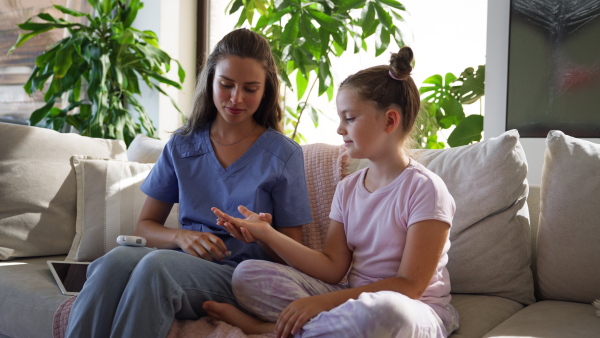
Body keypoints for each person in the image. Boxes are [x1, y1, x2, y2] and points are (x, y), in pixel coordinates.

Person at [65, 28, 312, 338]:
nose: (236, 98)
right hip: (176, 261)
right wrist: (180, 237)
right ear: (210, 81)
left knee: (156, 269)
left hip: (239, 275)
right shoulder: (182, 145)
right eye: (226, 85)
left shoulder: (283, 154)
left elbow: (294, 253)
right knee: (112, 262)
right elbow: (145, 227)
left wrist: (260, 235)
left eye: (250, 88)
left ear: (266, 92)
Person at [204, 46, 460, 338]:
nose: (340, 129)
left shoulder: (425, 189)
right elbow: (332, 269)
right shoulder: (348, 187)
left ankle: (270, 329)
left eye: (349, 118)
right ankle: (317, 328)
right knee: (247, 274)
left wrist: (321, 303)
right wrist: (266, 233)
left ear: (390, 121)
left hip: (413, 309)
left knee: (385, 311)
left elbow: (409, 286)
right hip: (350, 299)